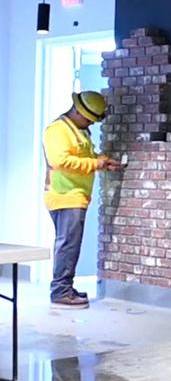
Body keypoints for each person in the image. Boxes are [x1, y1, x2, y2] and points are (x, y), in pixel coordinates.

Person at [42, 90, 121, 308]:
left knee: (70, 245)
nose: (90, 123)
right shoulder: (57, 130)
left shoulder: (78, 130)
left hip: (76, 195)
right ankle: (61, 291)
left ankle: (65, 287)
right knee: (68, 246)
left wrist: (101, 160)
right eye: (88, 119)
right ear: (78, 111)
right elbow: (60, 161)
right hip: (64, 195)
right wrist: (95, 165)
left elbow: (83, 156)